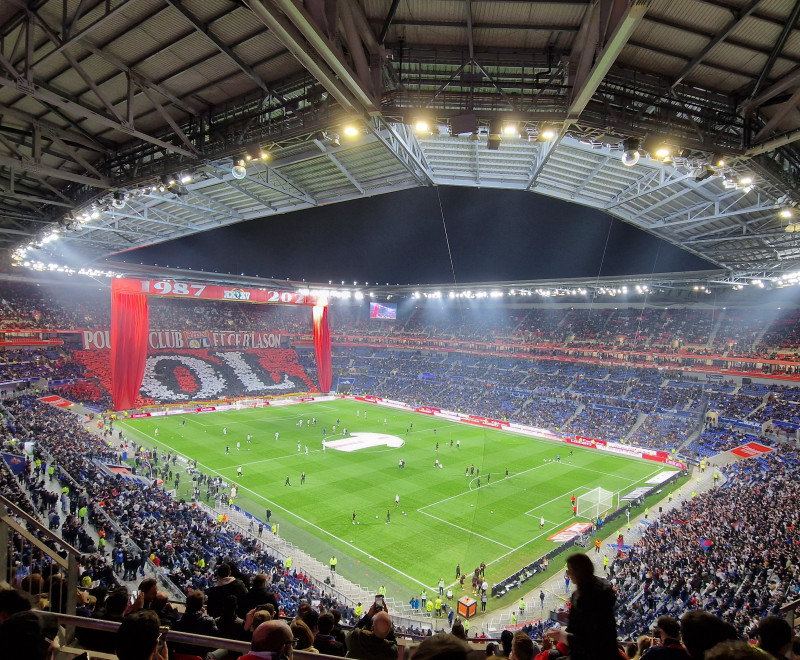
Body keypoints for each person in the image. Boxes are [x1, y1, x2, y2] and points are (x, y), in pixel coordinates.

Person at [546, 552, 618, 660]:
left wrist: (561, 636)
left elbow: (589, 641)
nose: (567, 573)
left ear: (578, 572)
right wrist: (569, 618)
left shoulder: (589, 598)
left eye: (569, 570)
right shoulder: (595, 591)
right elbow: (584, 624)